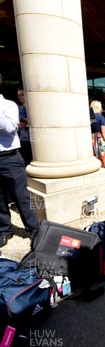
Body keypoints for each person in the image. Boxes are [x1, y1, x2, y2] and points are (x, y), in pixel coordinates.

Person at [0, 74, 39, 247]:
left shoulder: (9, 105)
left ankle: (34, 229)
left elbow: (9, 128)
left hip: (9, 158)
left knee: (21, 196)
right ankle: (4, 230)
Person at [17, 88, 32, 166]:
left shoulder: (34, 108)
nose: (20, 97)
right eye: (19, 95)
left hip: (37, 138)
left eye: (22, 94)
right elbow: (20, 125)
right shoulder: (18, 109)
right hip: (24, 139)